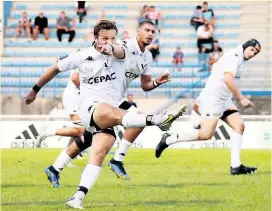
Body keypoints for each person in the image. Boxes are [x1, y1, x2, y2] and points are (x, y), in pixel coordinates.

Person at [24, 20, 185, 209]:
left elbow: (120, 52)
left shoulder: (121, 52)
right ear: (95, 38)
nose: (109, 42)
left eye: (113, 38)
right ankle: (155, 120)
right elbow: (54, 69)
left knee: (98, 153)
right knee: (114, 115)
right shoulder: (82, 55)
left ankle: (77, 197)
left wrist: (155, 80)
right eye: (104, 38)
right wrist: (35, 90)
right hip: (90, 108)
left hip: (112, 105)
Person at [155, 39, 261, 176]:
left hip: (224, 100)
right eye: (252, 50)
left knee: (239, 126)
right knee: (206, 135)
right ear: (245, 46)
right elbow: (228, 79)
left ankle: (236, 166)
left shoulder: (237, 58)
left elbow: (216, 67)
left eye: (256, 53)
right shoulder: (234, 57)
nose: (253, 54)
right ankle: (168, 139)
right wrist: (241, 98)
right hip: (214, 100)